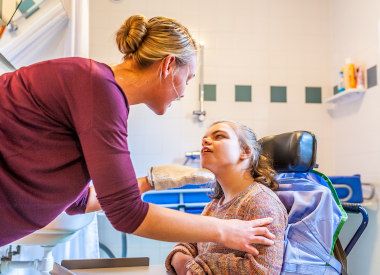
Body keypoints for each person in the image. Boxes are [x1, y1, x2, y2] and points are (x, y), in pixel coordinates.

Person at [0, 15, 275, 252]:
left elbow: (79, 202)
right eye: (188, 78)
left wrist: (152, 181)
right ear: (168, 66)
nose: (184, 91)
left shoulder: (98, 88)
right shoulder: (99, 89)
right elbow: (126, 214)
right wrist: (226, 231)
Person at [166, 121, 288, 275]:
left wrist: (202, 264)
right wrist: (179, 256)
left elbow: (262, 271)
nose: (205, 141)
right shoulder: (213, 206)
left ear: (245, 151)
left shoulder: (260, 202)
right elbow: (190, 244)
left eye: (219, 136)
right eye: (204, 138)